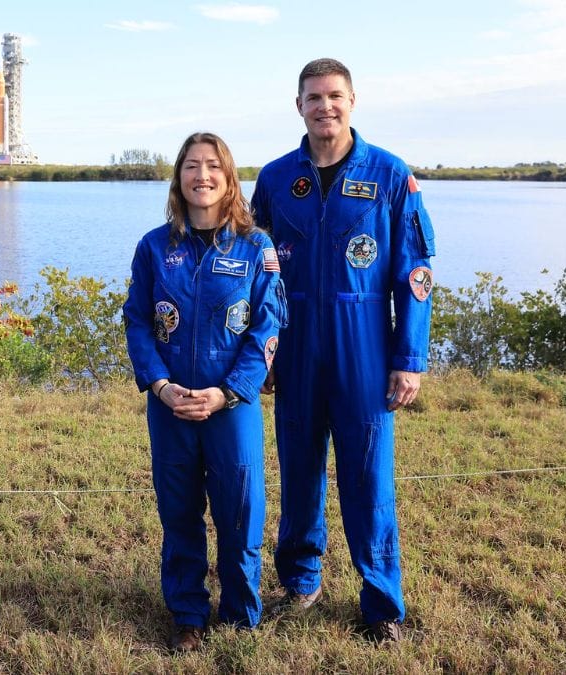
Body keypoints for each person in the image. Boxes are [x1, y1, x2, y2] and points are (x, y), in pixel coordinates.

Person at [249, 58, 436, 643]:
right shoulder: (278, 179)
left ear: (352, 101)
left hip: (364, 348)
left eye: (334, 96)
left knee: (368, 477)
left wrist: (409, 357)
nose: (324, 106)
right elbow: (255, 273)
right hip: (297, 342)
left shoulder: (388, 174)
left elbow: (415, 274)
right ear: (298, 105)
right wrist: (263, 356)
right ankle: (301, 583)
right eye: (313, 97)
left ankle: (381, 604)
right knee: (298, 470)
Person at [123, 132, 286, 652]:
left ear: (229, 176)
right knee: (179, 511)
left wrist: (228, 392)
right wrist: (161, 385)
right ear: (178, 178)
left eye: (212, 165)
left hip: (230, 406)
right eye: (191, 166)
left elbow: (268, 325)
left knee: (240, 512)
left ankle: (240, 615)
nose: (202, 175)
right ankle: (188, 615)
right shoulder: (154, 247)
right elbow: (137, 322)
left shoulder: (255, 246)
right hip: (170, 403)